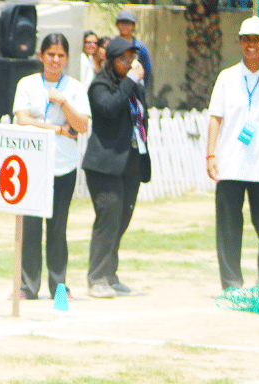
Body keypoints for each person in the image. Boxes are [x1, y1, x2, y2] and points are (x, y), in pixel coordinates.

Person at [206, 17, 259, 291]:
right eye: (246, 39)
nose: (251, 44)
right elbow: (215, 117)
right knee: (228, 227)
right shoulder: (227, 77)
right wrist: (210, 156)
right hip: (231, 165)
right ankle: (231, 284)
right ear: (240, 42)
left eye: (257, 39)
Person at [13, 34, 90, 300]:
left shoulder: (75, 88)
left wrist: (63, 102)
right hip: (32, 165)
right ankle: (27, 287)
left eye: (60, 55)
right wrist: (56, 128)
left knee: (58, 229)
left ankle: (59, 286)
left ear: (67, 58)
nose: (55, 60)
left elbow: (82, 125)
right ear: (41, 55)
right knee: (31, 228)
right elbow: (22, 119)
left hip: (63, 166)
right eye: (50, 54)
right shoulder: (27, 84)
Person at [82, 36, 151, 299]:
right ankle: (96, 278)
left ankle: (110, 275)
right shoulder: (99, 85)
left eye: (132, 57)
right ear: (110, 61)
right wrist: (131, 80)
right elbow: (109, 108)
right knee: (108, 219)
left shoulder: (133, 87)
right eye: (123, 58)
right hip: (104, 164)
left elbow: (140, 118)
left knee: (121, 220)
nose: (129, 63)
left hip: (130, 162)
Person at [116, 10, 152, 88]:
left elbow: (147, 69)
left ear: (133, 26)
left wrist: (142, 88)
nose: (124, 26)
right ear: (117, 25)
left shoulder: (140, 46)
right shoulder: (112, 43)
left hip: (134, 86)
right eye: (122, 23)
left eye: (128, 23)